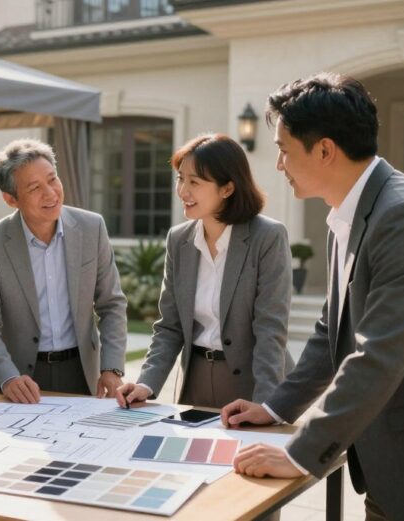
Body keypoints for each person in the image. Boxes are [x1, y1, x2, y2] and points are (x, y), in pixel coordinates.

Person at [221, 73, 404, 521]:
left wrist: (299, 454)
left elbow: (378, 353)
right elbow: (334, 330)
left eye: (284, 150)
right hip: (399, 465)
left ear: (324, 150)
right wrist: (275, 407)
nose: (279, 165)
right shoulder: (347, 214)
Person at [115, 134, 293, 410]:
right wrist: (146, 384)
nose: (183, 191)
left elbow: (271, 329)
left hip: (252, 384)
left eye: (194, 182)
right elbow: (169, 325)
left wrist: (265, 405)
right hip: (194, 382)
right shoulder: (179, 240)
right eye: (180, 179)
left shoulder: (267, 237)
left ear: (227, 188)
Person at [0, 138, 127, 403]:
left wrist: (111, 367)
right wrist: (7, 377)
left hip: (81, 372)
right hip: (19, 380)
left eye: (52, 179)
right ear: (11, 199)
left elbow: (111, 304)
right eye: (34, 187)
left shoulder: (92, 228)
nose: (50, 193)